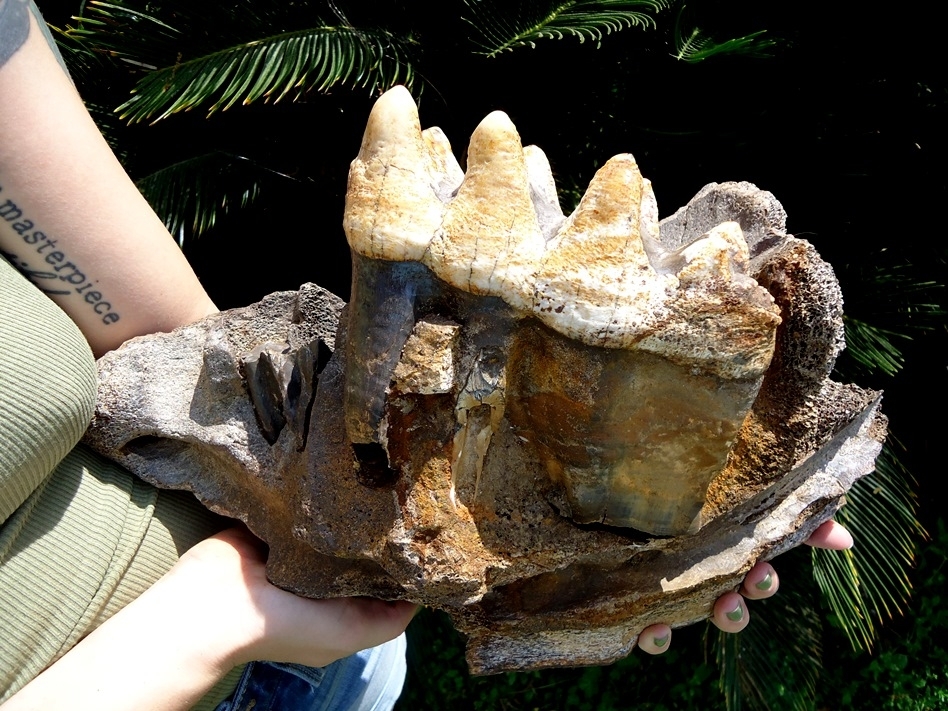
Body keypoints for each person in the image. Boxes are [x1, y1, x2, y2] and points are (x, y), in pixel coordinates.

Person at [0, 1, 853, 708]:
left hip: (318, 646)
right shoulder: (225, 613)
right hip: (230, 644)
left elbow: (157, 333)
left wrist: (283, 421)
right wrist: (220, 615)